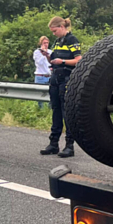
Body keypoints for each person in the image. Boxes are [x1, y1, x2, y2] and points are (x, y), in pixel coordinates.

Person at [40, 16, 82, 158]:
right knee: (56, 110)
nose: (53, 34)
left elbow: (78, 60)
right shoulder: (58, 41)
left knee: (66, 112)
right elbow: (54, 61)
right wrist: (47, 57)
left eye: (55, 31)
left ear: (62, 27)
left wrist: (63, 61)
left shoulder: (72, 40)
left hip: (67, 79)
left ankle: (69, 146)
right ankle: (53, 144)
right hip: (55, 79)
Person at [33, 36, 51, 109]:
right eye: (44, 43)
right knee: (40, 95)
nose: (46, 44)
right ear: (41, 43)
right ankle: (41, 110)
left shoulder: (50, 52)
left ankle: (50, 110)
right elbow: (39, 63)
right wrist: (44, 55)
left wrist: (47, 54)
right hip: (40, 76)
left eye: (47, 43)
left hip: (49, 76)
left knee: (51, 94)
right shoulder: (37, 52)